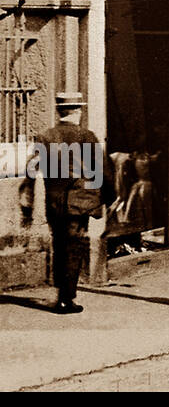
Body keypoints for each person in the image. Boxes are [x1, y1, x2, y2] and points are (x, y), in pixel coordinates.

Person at [18, 110, 115, 314]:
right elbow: (104, 170)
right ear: (77, 111)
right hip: (80, 202)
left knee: (59, 245)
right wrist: (110, 198)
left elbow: (30, 172)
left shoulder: (45, 137)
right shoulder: (87, 136)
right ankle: (66, 298)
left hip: (54, 204)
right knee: (74, 247)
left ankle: (61, 292)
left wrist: (27, 205)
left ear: (60, 112)